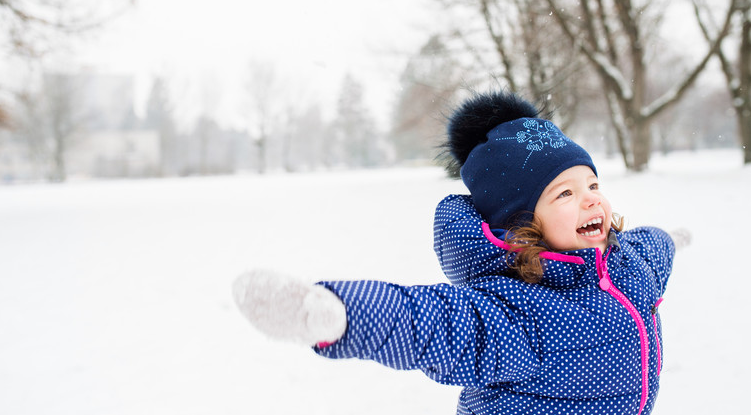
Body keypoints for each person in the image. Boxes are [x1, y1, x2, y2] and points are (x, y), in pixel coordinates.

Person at [233, 91, 689, 415]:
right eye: (564, 194)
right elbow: (430, 324)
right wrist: (343, 317)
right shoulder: (517, 309)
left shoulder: (626, 263)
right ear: (523, 225)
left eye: (592, 184)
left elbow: (651, 252)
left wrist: (669, 240)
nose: (592, 200)